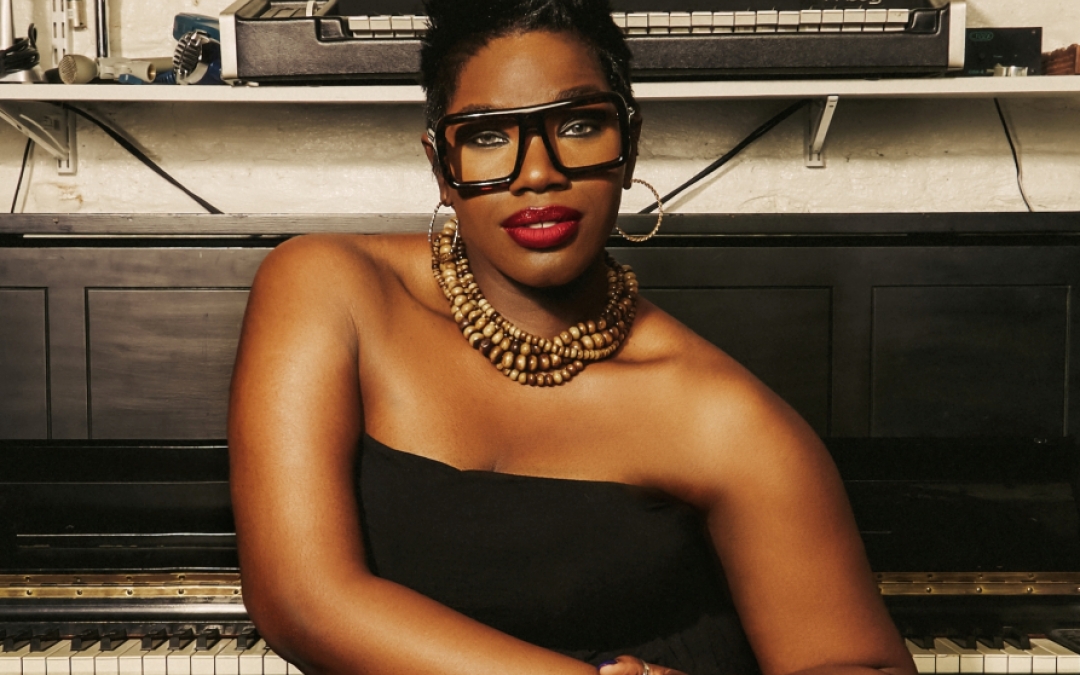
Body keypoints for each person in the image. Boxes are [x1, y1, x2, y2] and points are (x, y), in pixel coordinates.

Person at [227, 1, 918, 674]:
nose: (539, 173)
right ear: (441, 167)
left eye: (580, 125)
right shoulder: (329, 287)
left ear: (630, 145)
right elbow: (302, 602)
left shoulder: (724, 415)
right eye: (488, 135)